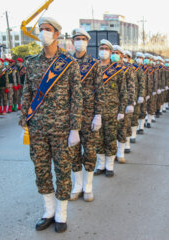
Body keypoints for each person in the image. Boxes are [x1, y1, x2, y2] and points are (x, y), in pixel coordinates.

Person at [18, 17, 82, 233]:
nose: (43, 32)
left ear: (56, 34)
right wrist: (24, 122)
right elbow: (27, 92)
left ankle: (62, 214)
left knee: (63, 170)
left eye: (48, 29)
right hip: (37, 127)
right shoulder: (32, 62)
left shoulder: (69, 63)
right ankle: (49, 211)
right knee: (41, 170)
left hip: (62, 128)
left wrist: (75, 128)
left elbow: (77, 97)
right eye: (41, 29)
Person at [69, 28, 103, 202]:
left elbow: (99, 91)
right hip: (70, 117)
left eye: (83, 39)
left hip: (89, 115)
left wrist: (98, 115)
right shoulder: (65, 62)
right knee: (73, 153)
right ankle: (78, 185)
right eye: (77, 38)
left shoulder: (94, 64)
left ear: (87, 42)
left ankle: (88, 186)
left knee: (89, 152)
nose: (79, 41)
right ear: (72, 41)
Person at [94, 39, 127, 177]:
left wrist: (121, 110)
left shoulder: (117, 70)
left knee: (111, 138)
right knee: (98, 139)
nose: (104, 51)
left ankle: (109, 166)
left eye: (106, 49)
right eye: (101, 48)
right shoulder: (93, 67)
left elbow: (123, 91)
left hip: (112, 111)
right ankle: (100, 164)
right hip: (96, 111)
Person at [112, 45, 134, 164]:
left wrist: (130, 103)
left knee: (122, 128)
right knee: (111, 130)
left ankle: (120, 153)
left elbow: (131, 86)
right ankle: (111, 153)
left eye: (117, 52)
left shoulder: (128, 68)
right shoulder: (107, 66)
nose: (114, 54)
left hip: (123, 103)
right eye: (113, 52)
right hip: (110, 104)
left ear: (121, 55)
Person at [130, 52, 145, 142]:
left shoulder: (138, 69)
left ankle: (133, 134)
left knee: (135, 115)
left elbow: (142, 83)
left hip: (136, 95)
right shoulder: (130, 67)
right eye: (138, 57)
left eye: (141, 58)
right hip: (127, 97)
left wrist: (141, 95)